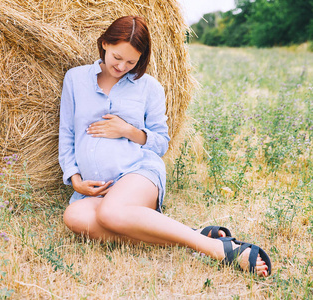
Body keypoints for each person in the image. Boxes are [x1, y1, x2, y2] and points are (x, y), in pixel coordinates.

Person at [58, 16, 271, 277]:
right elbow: (66, 133)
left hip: (136, 174)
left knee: (111, 212)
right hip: (94, 187)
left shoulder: (150, 88)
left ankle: (218, 251)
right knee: (74, 218)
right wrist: (75, 179)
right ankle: (194, 236)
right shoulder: (75, 79)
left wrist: (128, 130)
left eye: (131, 62)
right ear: (104, 44)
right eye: (116, 57)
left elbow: (160, 143)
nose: (122, 66)